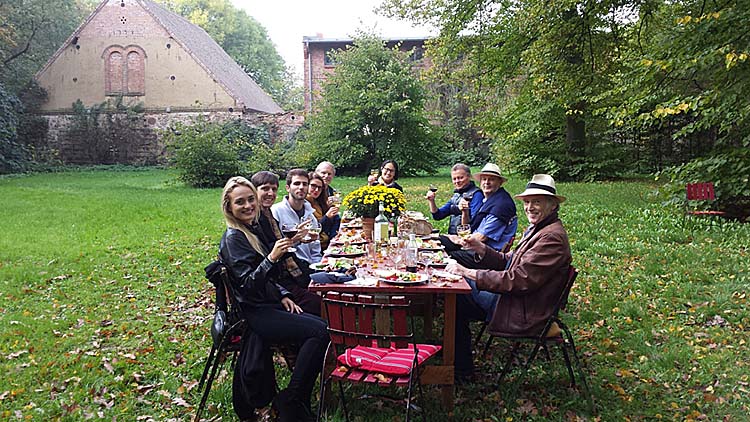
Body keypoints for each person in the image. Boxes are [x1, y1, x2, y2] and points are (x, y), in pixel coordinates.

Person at [218, 176, 328, 421]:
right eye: (240, 202)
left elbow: (268, 280)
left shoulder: (251, 229)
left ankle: (294, 397)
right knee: (320, 331)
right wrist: (272, 258)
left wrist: (283, 295)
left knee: (318, 324)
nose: (248, 206)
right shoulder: (234, 237)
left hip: (268, 303)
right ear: (229, 207)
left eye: (250, 200)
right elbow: (248, 287)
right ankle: (293, 400)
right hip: (255, 313)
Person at [446, 174, 571, 383]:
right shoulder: (539, 229)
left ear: (552, 205)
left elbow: (517, 279)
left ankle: (460, 366)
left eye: (537, 202)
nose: (529, 207)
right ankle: (456, 358)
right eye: (527, 202)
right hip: (518, 300)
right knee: (456, 298)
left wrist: (468, 272)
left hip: (525, 310)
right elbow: (510, 260)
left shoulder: (551, 237)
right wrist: (481, 248)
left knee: (457, 290)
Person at [250, 170, 324, 316]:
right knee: (319, 303)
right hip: (277, 282)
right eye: (265, 189)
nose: (270, 193)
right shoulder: (258, 219)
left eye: (273, 189)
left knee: (328, 283)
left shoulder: (268, 215)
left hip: (291, 271)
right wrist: (294, 240)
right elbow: (270, 254)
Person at [440, 163, 517, 268]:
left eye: (491, 179)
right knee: (438, 240)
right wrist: (465, 212)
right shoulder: (488, 200)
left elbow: (482, 237)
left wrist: (458, 240)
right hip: (474, 245)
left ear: (500, 182)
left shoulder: (502, 205)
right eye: (484, 179)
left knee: (444, 258)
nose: (487, 182)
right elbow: (467, 228)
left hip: (485, 255)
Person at [271, 169, 323, 264]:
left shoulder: (311, 215)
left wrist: (317, 266)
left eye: (305, 184)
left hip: (310, 267)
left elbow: (315, 250)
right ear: (288, 188)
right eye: (297, 183)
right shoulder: (276, 212)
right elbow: (274, 250)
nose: (301, 187)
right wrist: (296, 239)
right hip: (288, 269)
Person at [426, 163, 483, 235]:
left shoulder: (477, 195)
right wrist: (431, 201)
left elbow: (474, 223)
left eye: (460, 178)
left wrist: (464, 212)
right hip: (453, 236)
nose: (457, 181)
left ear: (469, 177)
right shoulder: (457, 195)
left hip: (466, 239)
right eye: (454, 179)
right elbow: (438, 216)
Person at [307, 172, 341, 251]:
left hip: (326, 243)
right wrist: (327, 217)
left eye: (320, 188)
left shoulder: (318, 202)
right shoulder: (304, 204)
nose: (316, 190)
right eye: (313, 186)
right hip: (316, 247)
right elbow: (312, 231)